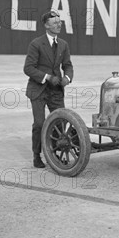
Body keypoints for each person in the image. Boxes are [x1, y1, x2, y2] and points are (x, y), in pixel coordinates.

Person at [23, 9, 73, 169]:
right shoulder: (36, 44)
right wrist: (47, 77)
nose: (59, 25)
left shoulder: (63, 44)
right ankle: (36, 155)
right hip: (38, 89)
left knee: (59, 123)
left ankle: (55, 155)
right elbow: (28, 68)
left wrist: (67, 78)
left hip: (56, 90)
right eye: (55, 23)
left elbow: (67, 66)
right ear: (46, 25)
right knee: (39, 123)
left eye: (60, 22)